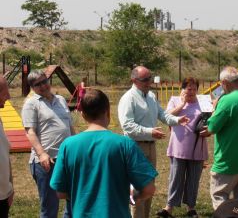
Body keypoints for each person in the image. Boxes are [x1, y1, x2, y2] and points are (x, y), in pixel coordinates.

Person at [50, 89, 158, 217]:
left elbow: (60, 192)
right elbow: (149, 188)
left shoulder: (68, 145)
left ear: (83, 115)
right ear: (108, 111)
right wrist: (137, 198)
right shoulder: (125, 144)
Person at [118, 65, 189, 218]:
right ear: (134, 80)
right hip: (134, 147)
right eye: (145, 79)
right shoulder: (128, 98)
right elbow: (127, 126)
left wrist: (177, 120)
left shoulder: (151, 96)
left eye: (150, 78)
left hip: (151, 147)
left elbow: (162, 114)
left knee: (149, 187)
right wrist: (150, 131)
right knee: (138, 188)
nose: (149, 82)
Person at [200, 66, 238, 210]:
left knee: (219, 196)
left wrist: (215, 107)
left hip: (229, 160)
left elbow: (212, 127)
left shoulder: (226, 100)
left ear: (225, 83)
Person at [22, 70, 75, 218]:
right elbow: (30, 132)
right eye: (38, 84)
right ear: (32, 87)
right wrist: (42, 153)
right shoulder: (31, 104)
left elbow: (70, 127)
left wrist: (77, 149)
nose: (43, 86)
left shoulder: (61, 100)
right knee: (50, 207)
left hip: (67, 158)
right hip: (46, 162)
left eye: (44, 81)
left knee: (72, 201)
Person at [156, 77, 208, 218]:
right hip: (179, 146)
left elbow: (211, 118)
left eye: (194, 89)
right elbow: (167, 116)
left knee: (193, 179)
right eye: (188, 88)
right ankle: (169, 208)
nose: (191, 91)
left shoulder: (203, 101)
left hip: (198, 145)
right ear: (183, 89)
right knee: (175, 178)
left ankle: (191, 208)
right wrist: (182, 104)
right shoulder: (174, 100)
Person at [0, 76, 13, 218]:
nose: (9, 96)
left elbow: (5, 155)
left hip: (4, 196)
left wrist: (10, 188)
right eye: (5, 92)